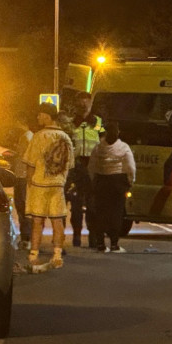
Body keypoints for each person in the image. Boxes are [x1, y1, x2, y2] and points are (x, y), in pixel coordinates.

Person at [22, 103, 74, 269]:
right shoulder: (65, 137)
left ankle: (34, 254)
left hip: (40, 184)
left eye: (40, 114)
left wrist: (29, 183)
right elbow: (69, 164)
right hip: (58, 184)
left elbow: (30, 163)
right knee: (58, 220)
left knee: (38, 221)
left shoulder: (39, 136)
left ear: (47, 116)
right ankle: (57, 254)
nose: (38, 117)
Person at [89, 120, 136, 253]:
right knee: (116, 213)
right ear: (118, 132)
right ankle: (114, 244)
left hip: (101, 182)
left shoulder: (98, 148)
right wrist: (130, 181)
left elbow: (92, 167)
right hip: (118, 182)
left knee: (101, 213)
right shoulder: (124, 147)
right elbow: (130, 167)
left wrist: (94, 181)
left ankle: (100, 244)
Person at [68, 93, 104, 247]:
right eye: (81, 103)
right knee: (76, 204)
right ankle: (77, 234)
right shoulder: (71, 123)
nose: (83, 106)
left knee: (92, 204)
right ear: (77, 104)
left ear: (90, 104)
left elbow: (103, 140)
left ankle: (93, 236)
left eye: (86, 103)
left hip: (92, 166)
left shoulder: (97, 121)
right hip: (76, 166)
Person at [10, 117, 35, 249]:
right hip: (20, 176)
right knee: (20, 207)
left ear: (22, 122)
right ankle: (26, 238)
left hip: (24, 177)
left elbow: (29, 157)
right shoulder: (25, 137)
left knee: (24, 208)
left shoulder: (28, 137)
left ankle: (28, 238)